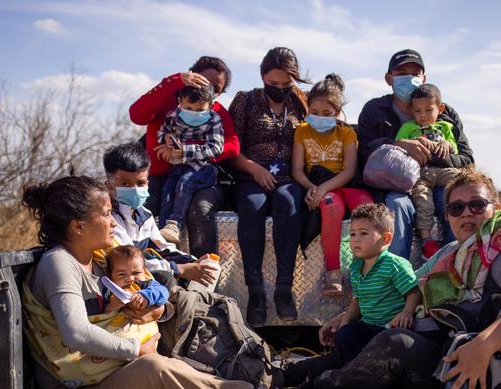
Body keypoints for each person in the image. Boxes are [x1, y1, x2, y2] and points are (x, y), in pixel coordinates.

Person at [21, 175, 313, 389]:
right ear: (78, 226)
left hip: (110, 372)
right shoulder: (59, 263)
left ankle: (249, 377)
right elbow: (76, 335)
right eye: (108, 214)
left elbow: (156, 289)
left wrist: (155, 310)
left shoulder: (101, 258)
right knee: (153, 368)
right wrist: (136, 350)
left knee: (182, 309)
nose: (113, 222)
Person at [289, 168, 501, 389]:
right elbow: (410, 286)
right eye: (456, 208)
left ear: (496, 208)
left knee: (393, 342)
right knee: (354, 335)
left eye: (477, 205)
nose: (466, 213)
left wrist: (485, 345)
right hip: (431, 349)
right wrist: (344, 317)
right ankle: (283, 377)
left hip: (462, 368)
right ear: (447, 215)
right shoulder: (453, 252)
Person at [280, 203, 418, 389]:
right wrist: (343, 325)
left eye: (363, 233)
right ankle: (357, 384)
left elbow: (414, 292)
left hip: (390, 329)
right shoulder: (356, 267)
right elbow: (358, 300)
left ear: (386, 238)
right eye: (353, 234)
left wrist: (407, 312)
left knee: (382, 348)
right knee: (348, 336)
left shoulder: (395, 265)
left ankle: (381, 388)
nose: (355, 239)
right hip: (370, 327)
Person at [357, 49, 474, 260]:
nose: (409, 78)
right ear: (389, 78)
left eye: (415, 73)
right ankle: (395, 277)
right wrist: (399, 146)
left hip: (438, 182)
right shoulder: (374, 110)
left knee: (453, 199)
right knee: (397, 205)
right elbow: (364, 155)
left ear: (424, 78)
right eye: (402, 72)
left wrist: (436, 152)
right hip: (395, 189)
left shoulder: (446, 114)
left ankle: (453, 269)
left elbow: (467, 160)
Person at [228, 47, 309, 326]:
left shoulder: (301, 103)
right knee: (252, 206)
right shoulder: (245, 101)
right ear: (263, 76)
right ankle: (256, 292)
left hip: (290, 177)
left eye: (286, 84)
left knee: (288, 203)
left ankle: (284, 288)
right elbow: (230, 148)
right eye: (273, 84)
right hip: (251, 174)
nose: (280, 89)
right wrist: (253, 167)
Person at [129, 56, 239, 257]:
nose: (207, 88)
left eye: (215, 88)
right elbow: (137, 115)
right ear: (190, 76)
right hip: (158, 175)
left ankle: (204, 272)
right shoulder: (168, 101)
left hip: (197, 174)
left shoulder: (214, 112)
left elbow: (232, 146)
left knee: (200, 208)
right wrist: (173, 81)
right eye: (202, 80)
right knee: (142, 207)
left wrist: (185, 151)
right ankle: (142, 269)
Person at [291, 74, 374, 297]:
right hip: (319, 186)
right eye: (314, 112)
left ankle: (365, 268)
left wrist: (322, 189)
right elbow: (297, 169)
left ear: (337, 113)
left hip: (343, 183)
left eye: (326, 114)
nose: (319, 117)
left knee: (366, 207)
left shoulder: (346, 132)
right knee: (330, 206)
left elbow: (349, 171)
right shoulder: (301, 131)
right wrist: (311, 188)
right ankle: (333, 271)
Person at [103, 142, 218, 290]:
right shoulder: (110, 218)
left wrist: (192, 262)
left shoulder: (145, 215)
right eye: (125, 184)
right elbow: (129, 260)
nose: (135, 190)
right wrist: (178, 269)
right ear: (109, 184)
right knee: (166, 278)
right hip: (122, 281)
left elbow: (164, 247)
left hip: (141, 272)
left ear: (148, 183)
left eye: (140, 183)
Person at [395, 84, 466, 258]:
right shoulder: (408, 128)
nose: (423, 116)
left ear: (440, 108)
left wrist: (445, 144)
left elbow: (455, 149)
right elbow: (397, 146)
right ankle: (427, 241)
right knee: (423, 202)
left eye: (428, 110)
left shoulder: (445, 127)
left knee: (463, 184)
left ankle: (472, 236)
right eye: (418, 111)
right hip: (420, 174)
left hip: (443, 171)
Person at [156, 84, 224, 244]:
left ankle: (175, 224)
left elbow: (216, 148)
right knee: (167, 193)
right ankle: (164, 236)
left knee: (183, 184)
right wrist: (165, 138)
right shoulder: (173, 116)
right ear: (180, 102)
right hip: (176, 167)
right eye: (188, 108)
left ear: (210, 105)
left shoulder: (214, 120)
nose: (193, 113)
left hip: (203, 168)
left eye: (199, 110)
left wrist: (186, 151)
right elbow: (162, 131)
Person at [103, 245, 169, 312]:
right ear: (110, 276)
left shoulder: (146, 285)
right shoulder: (109, 291)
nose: (130, 279)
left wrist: (146, 296)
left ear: (144, 272)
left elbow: (163, 291)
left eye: (136, 273)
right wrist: (111, 306)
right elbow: (101, 312)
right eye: (122, 274)